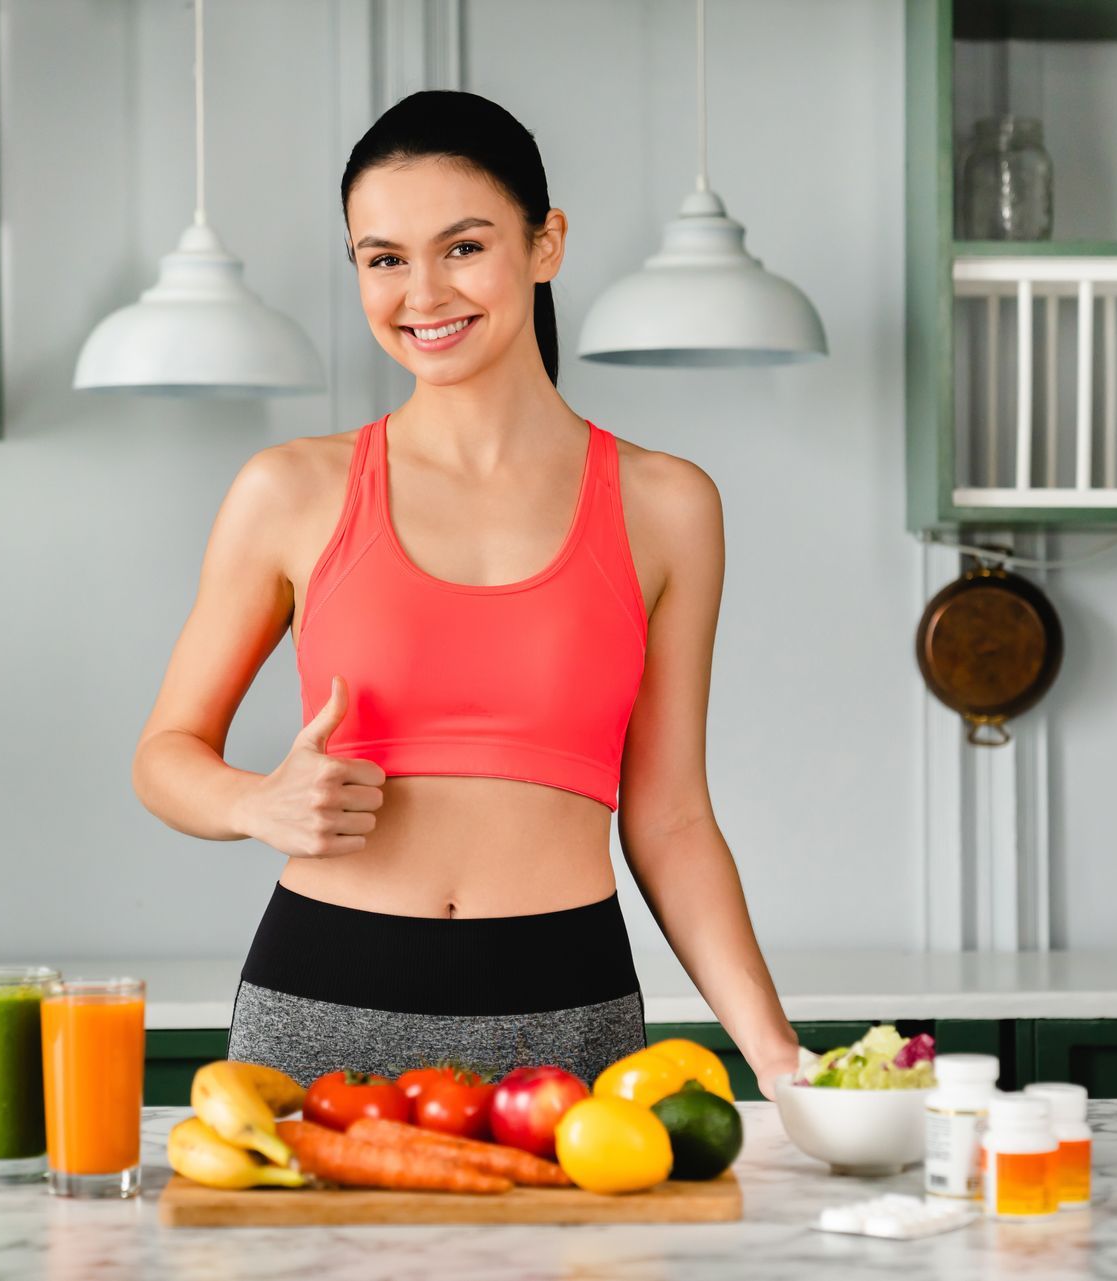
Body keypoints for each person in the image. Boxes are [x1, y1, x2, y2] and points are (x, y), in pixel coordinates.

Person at [131, 89, 802, 1100]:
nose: (422, 292)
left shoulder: (668, 506)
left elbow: (669, 821)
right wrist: (255, 803)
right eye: (384, 258)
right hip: (319, 1010)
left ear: (546, 244)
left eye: (464, 246)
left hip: (570, 1015)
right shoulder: (290, 491)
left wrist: (783, 1063)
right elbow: (164, 755)